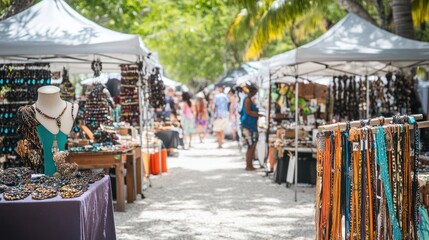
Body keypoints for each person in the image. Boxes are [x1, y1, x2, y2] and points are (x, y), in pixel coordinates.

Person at [240, 83, 260, 171]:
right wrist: (258, 114)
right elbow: (248, 112)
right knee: (251, 146)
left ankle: (250, 164)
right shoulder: (247, 100)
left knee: (252, 146)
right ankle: (249, 165)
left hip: (250, 125)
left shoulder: (249, 99)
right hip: (248, 125)